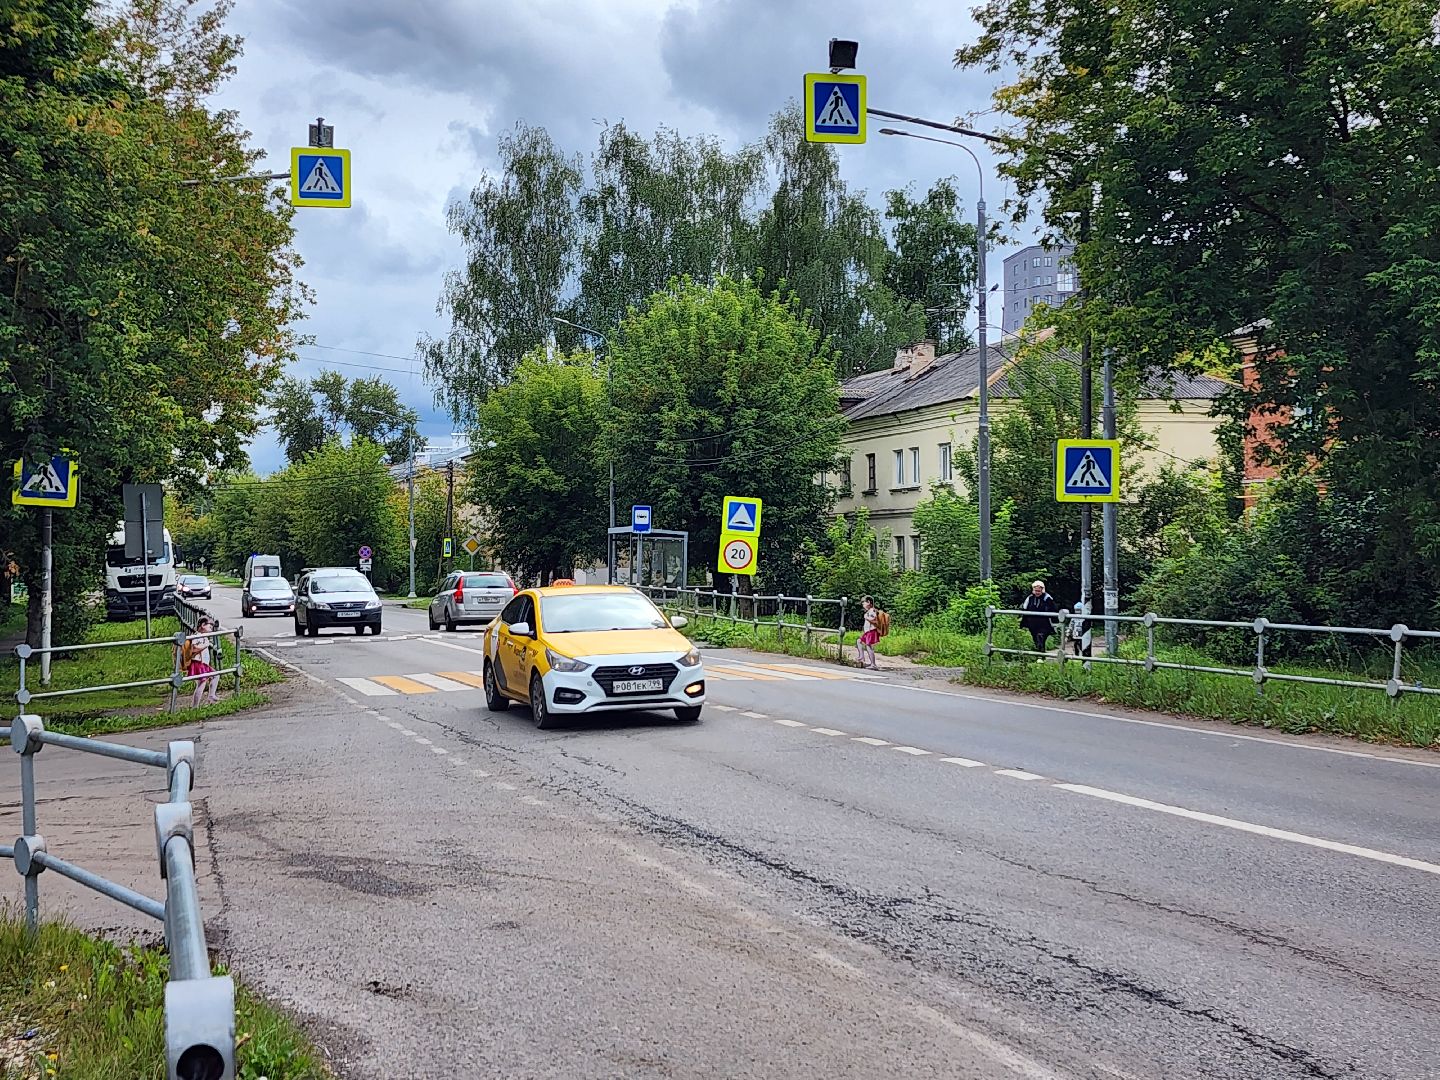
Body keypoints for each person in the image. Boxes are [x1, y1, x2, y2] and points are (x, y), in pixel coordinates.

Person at [184, 617, 221, 707]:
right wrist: (205, 645)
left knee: (215, 675)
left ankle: (211, 696)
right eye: (209, 626)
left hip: (203, 663)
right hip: (198, 663)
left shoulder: (203, 636)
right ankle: (195, 706)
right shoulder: (197, 636)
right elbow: (194, 649)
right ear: (203, 625)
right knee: (201, 683)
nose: (211, 628)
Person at [1019, 580, 1058, 657]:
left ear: (1042, 590)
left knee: (1041, 637)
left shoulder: (1047, 598)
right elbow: (1025, 610)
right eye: (1036, 590)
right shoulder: (1030, 598)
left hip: (1044, 623)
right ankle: (1039, 655)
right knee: (1036, 639)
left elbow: (1053, 610)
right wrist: (1023, 623)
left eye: (1039, 591)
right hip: (1032, 623)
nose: (1037, 592)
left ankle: (1040, 655)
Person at [857, 595, 880, 670]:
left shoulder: (872, 611)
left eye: (864, 603)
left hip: (871, 631)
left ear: (869, 602)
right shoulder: (869, 611)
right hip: (868, 632)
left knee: (868, 646)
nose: (863, 604)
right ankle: (861, 657)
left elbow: (875, 621)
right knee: (859, 641)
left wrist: (866, 617)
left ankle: (873, 664)